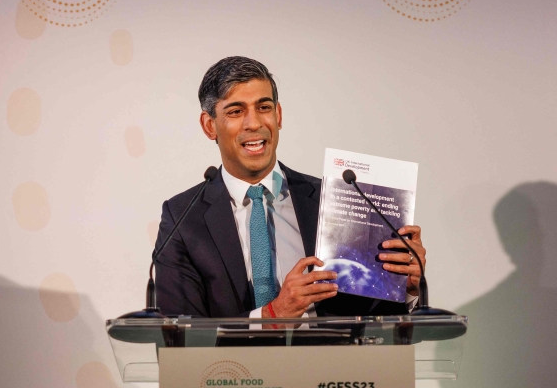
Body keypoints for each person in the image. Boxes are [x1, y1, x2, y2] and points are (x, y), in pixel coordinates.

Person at [154, 56, 428, 318]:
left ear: (279, 115)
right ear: (209, 125)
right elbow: (181, 333)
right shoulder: (182, 219)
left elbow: (371, 320)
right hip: (231, 368)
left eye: (264, 107)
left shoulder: (336, 199)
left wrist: (406, 289)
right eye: (236, 111)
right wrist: (272, 315)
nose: (255, 123)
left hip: (333, 366)